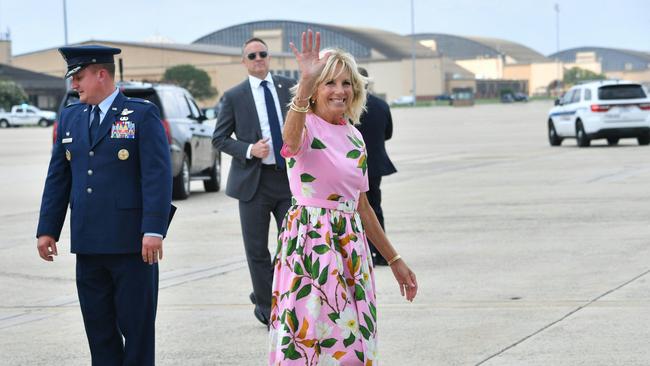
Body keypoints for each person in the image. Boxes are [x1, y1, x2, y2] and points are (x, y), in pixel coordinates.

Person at [268, 30, 418, 365]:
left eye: (346, 83)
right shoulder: (304, 125)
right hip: (311, 241)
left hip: (351, 245)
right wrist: (305, 83)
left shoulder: (354, 137)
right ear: (316, 89)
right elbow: (289, 143)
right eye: (329, 82)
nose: (339, 90)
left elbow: (362, 205)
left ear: (356, 90)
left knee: (352, 339)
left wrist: (395, 261)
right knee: (308, 336)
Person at [36, 45, 172, 366]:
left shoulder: (140, 113)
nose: (75, 86)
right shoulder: (70, 117)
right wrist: (47, 230)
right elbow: (58, 178)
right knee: (99, 333)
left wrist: (154, 229)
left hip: (132, 246)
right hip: (88, 244)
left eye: (79, 77)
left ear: (101, 74)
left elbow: (157, 175)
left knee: (137, 332)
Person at [212, 37, 296, 326]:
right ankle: (267, 308)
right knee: (257, 250)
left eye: (262, 54)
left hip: (288, 181)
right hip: (254, 184)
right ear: (244, 61)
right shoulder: (234, 96)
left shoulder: (289, 87)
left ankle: (275, 293)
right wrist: (250, 149)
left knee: (292, 246)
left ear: (269, 57)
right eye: (252, 55)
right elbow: (219, 139)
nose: (258, 58)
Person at [356, 67, 398, 266]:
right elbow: (388, 133)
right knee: (375, 208)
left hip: (354, 166)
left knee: (356, 210)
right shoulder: (381, 105)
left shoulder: (349, 106)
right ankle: (381, 253)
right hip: (375, 165)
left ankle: (363, 250)